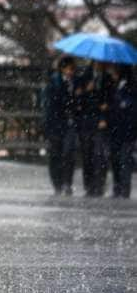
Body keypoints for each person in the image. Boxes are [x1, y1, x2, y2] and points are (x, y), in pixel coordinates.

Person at [44, 56, 79, 196]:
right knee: (55, 154)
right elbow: (52, 104)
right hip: (56, 123)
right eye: (69, 69)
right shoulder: (54, 82)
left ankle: (67, 182)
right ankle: (57, 182)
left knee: (68, 153)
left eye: (72, 69)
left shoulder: (76, 83)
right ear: (62, 69)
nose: (71, 72)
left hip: (70, 123)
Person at [75, 61, 111, 197]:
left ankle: (99, 184)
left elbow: (109, 98)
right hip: (86, 121)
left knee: (100, 155)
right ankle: (89, 185)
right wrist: (85, 91)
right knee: (87, 154)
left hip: (101, 121)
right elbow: (77, 99)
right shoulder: (84, 77)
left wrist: (104, 113)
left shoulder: (107, 79)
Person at [106, 64, 136, 198]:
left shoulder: (131, 86)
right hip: (115, 129)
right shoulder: (114, 85)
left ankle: (124, 189)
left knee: (125, 161)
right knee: (116, 160)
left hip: (126, 130)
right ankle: (117, 187)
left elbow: (131, 107)